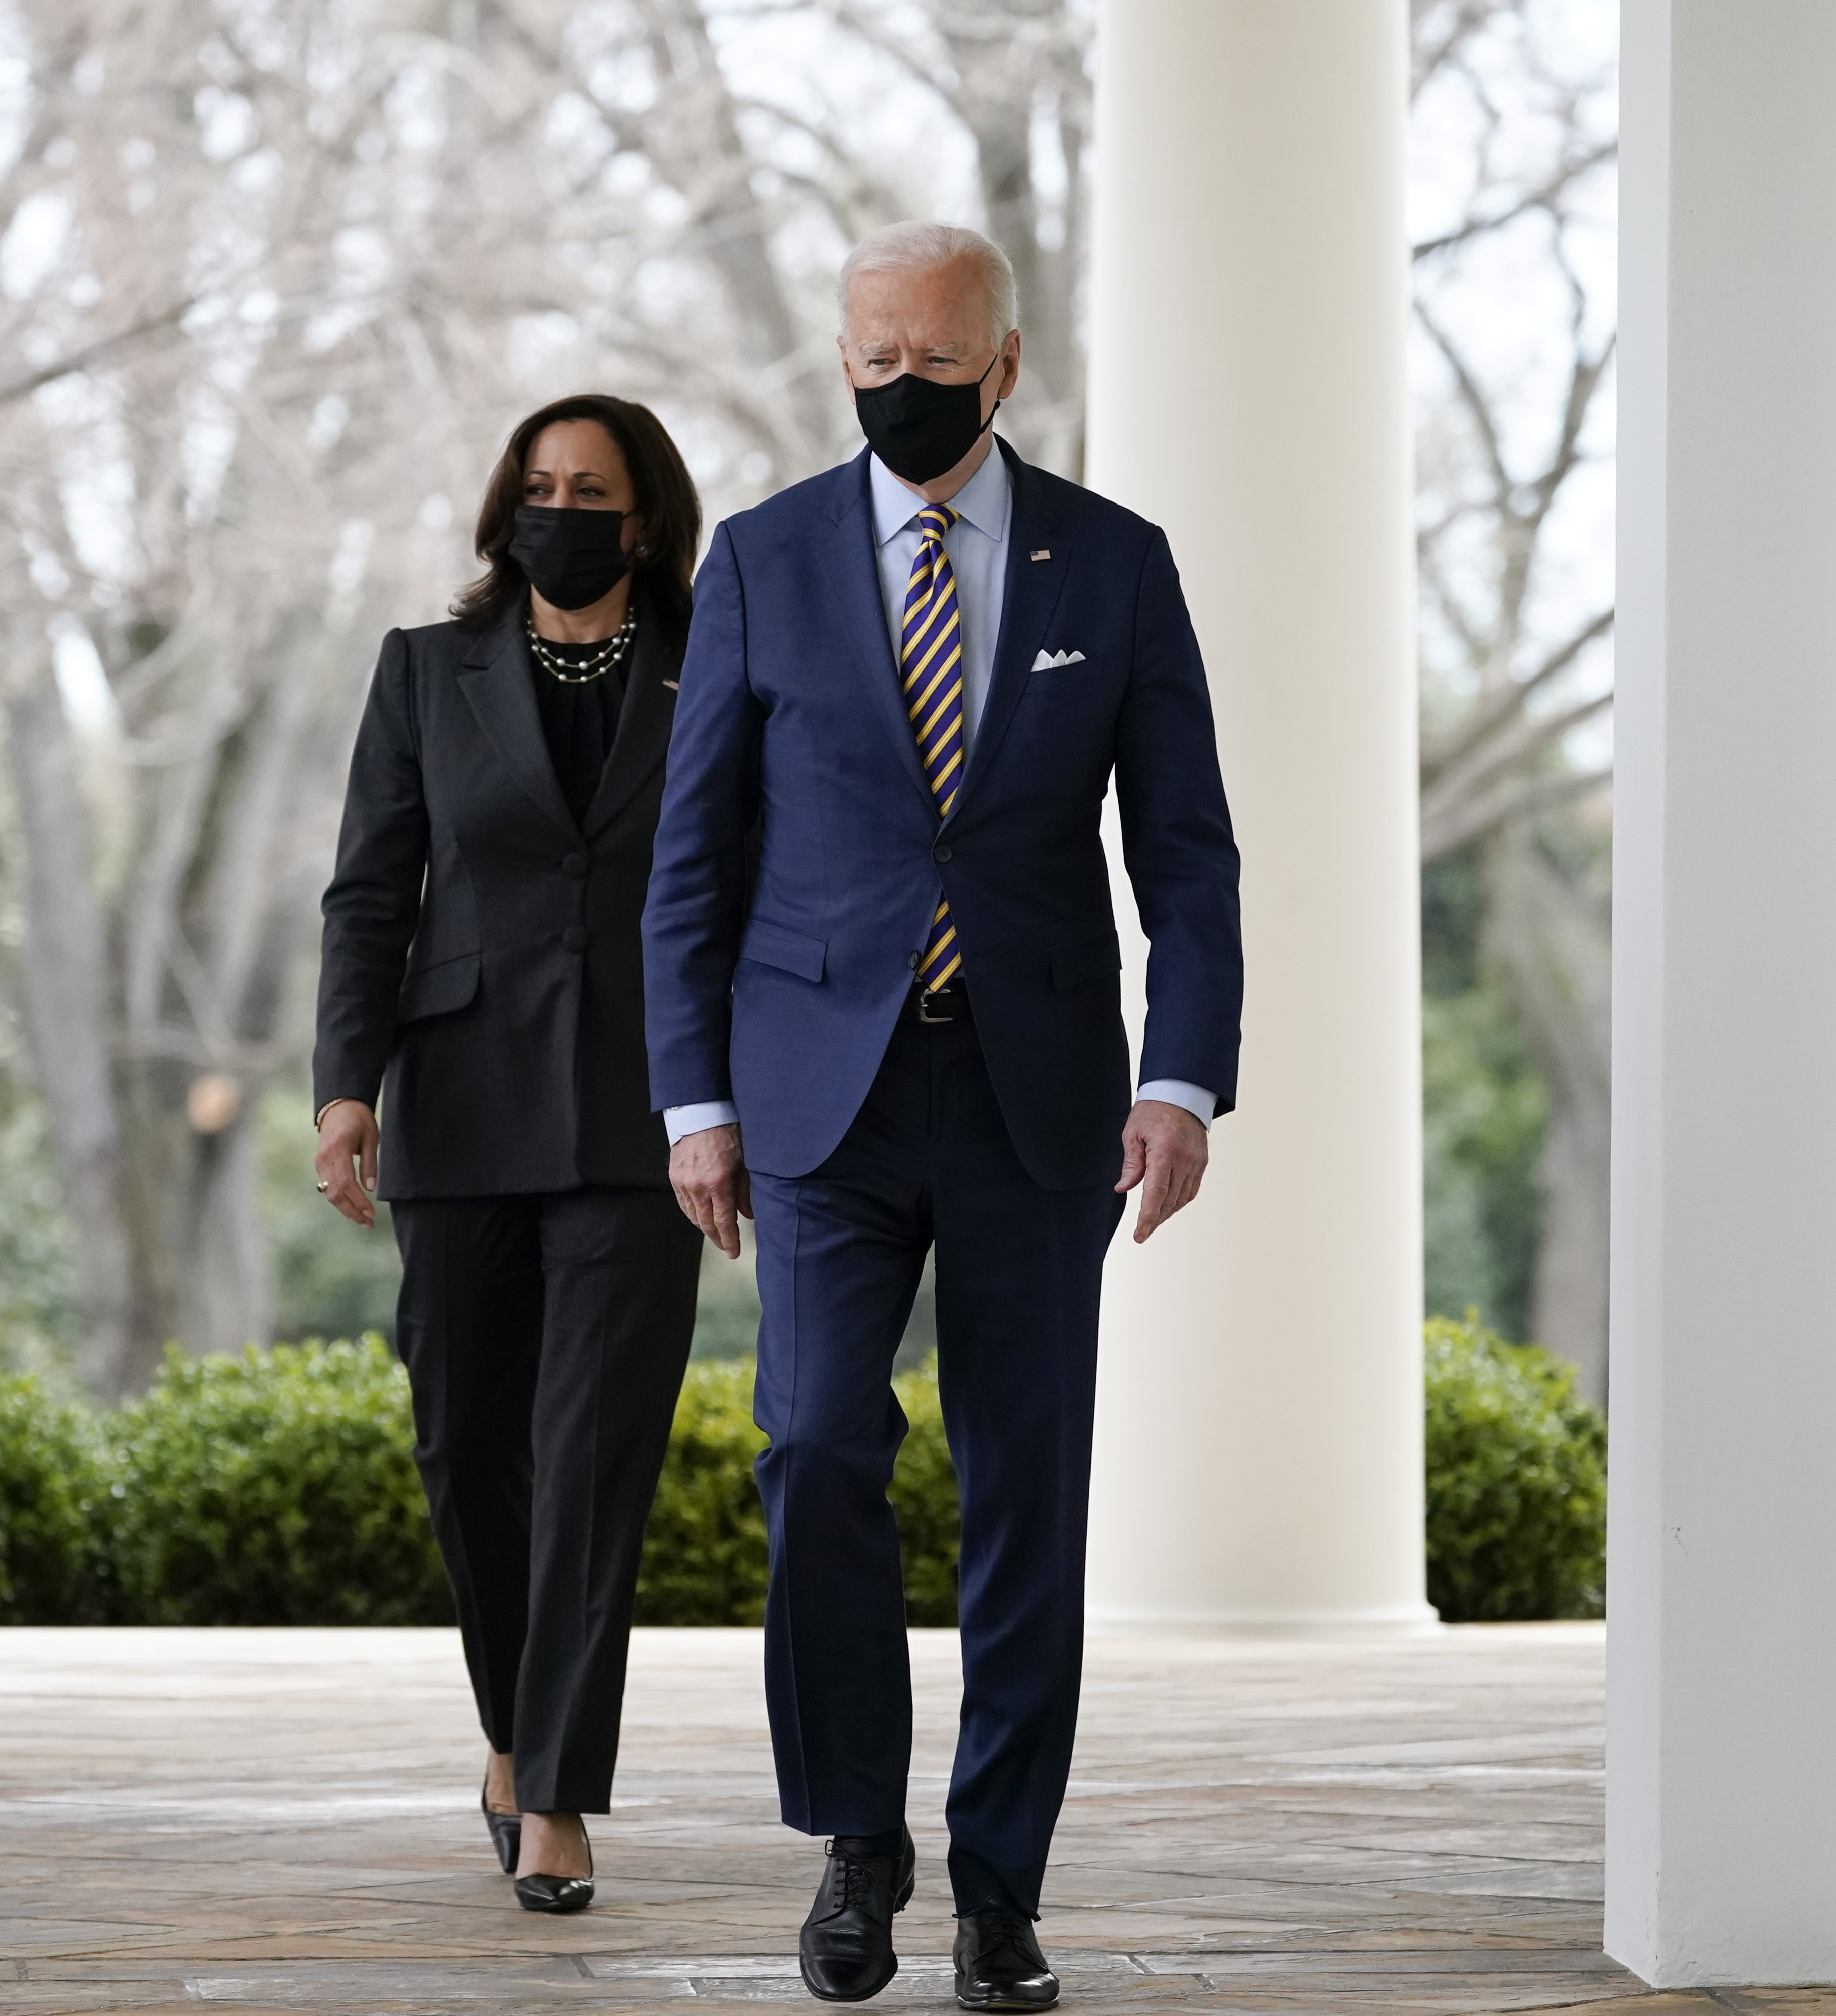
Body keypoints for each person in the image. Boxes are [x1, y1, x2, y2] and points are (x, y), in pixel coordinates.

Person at [642, 222, 1242, 2011]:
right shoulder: (759, 561)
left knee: (1026, 1493)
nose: (901, 384)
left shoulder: (1113, 565)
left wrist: (1183, 1074)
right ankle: (856, 1844)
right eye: (871, 355)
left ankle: (998, 1885)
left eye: (935, 357)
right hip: (818, 1094)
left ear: (1007, 358)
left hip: (1038, 1095)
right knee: (819, 1445)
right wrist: (694, 1094)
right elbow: (694, 861)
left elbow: (1189, 851)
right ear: (842, 358)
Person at [312, 394, 707, 1917]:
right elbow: (369, 893)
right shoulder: (427, 670)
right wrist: (349, 1088)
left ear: (646, 518)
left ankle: (554, 1795)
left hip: (647, 1117)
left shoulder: (712, 664)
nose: (563, 510)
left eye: (592, 490)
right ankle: (511, 1733)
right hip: (462, 1103)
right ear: (505, 507)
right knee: (465, 1445)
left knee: (595, 1464)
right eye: (540, 487)